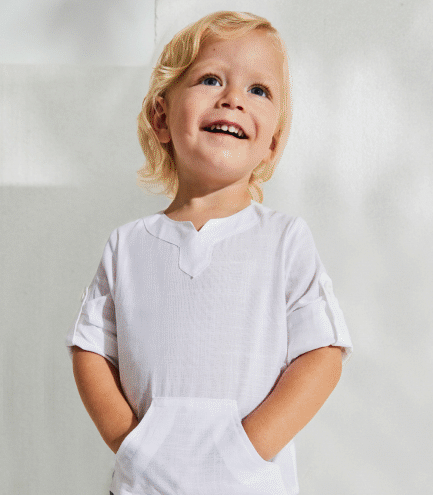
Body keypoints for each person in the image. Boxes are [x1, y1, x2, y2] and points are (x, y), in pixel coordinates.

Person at [66, 11, 353, 495]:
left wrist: (245, 452)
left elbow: (322, 353)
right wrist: (134, 447)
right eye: (211, 79)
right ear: (161, 118)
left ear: (272, 143)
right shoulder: (127, 246)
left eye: (258, 90)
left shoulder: (285, 239)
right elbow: (90, 349)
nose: (233, 99)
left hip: (250, 484)